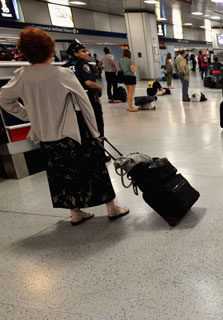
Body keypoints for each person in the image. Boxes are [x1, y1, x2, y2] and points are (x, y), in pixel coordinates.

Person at [0, 27, 128, 225]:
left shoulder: (21, 75)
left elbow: (5, 100)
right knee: (94, 168)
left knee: (61, 173)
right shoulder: (61, 74)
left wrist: (30, 115)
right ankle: (112, 208)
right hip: (72, 131)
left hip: (45, 134)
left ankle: (76, 213)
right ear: (50, 50)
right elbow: (84, 103)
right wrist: (95, 133)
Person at [63, 40, 109, 161]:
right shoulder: (83, 65)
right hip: (88, 100)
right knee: (97, 125)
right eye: (83, 51)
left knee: (82, 127)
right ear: (76, 53)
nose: (87, 53)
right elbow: (88, 82)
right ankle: (100, 154)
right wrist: (98, 87)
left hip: (72, 102)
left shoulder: (66, 66)